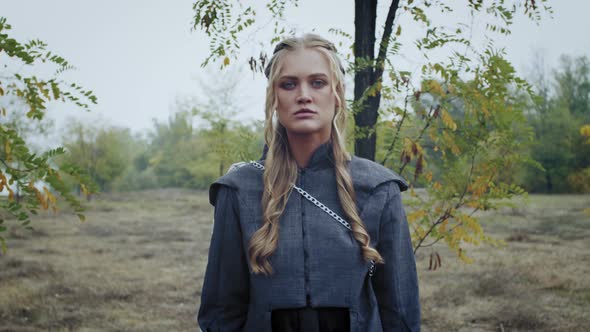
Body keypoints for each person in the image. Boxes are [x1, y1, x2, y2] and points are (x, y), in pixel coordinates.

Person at [197, 34, 420, 332]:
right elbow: (222, 311)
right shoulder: (238, 190)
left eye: (318, 82)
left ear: (337, 93)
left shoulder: (378, 188)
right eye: (289, 84)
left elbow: (400, 310)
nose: (304, 95)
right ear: (274, 98)